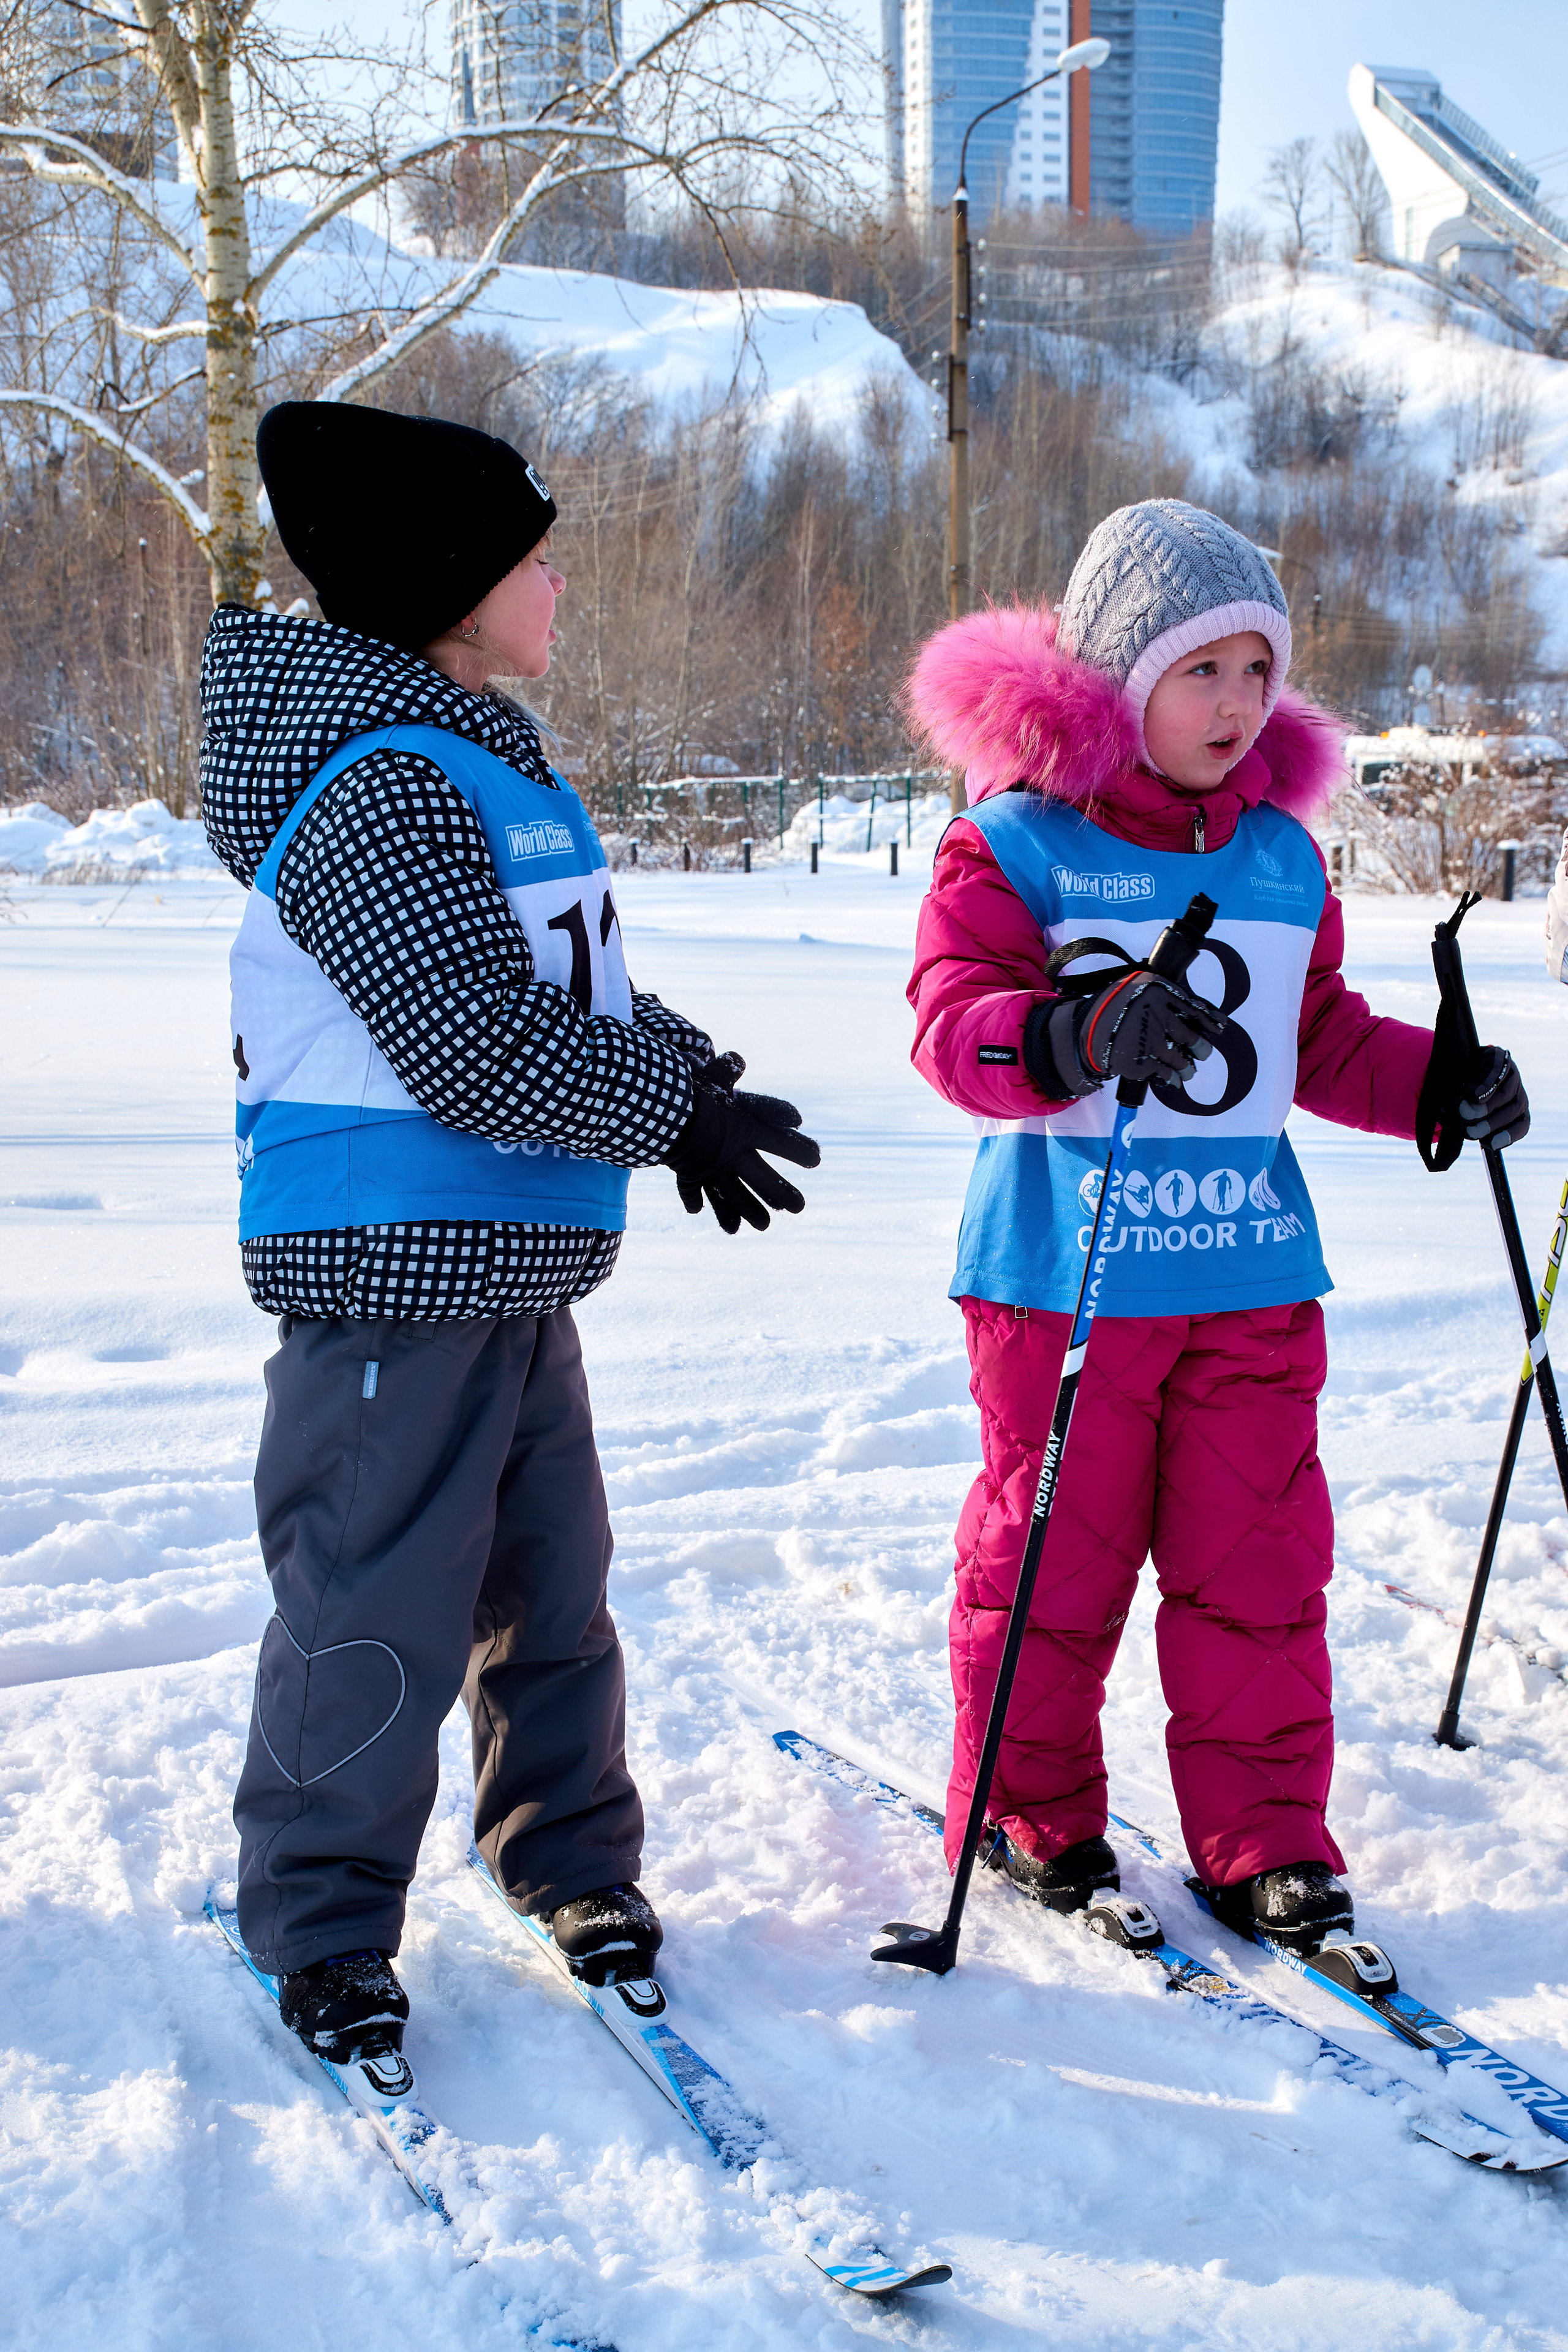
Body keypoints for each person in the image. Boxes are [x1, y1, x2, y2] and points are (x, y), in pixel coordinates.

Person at [203, 401, 818, 2085]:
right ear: (449, 587)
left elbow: (568, 995)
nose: (560, 582)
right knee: (373, 1604)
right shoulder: (378, 786)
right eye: (535, 558)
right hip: (391, 1271)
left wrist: (684, 1080)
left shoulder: (486, 758)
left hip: (512, 1266)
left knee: (553, 1592)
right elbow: (466, 1035)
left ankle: (568, 1858)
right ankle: (322, 1921)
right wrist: (657, 1107)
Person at [903, 499, 1528, 1956]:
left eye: (1258, 672)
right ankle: (1025, 1808)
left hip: (1247, 1276)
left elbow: (1310, 1039)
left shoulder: (1273, 858)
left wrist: (1436, 1082)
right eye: (1202, 671)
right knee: (1051, 1566)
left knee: (1257, 1574)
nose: (1237, 705)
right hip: (1063, 1283)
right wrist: (1075, 1032)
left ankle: (1262, 1842)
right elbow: (952, 1034)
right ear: (1120, 676)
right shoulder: (1015, 844)